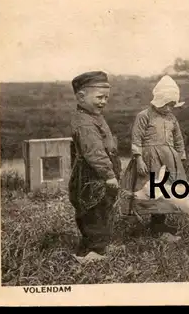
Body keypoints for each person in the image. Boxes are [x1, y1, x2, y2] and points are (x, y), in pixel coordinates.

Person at [120, 75, 187, 236]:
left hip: (169, 161)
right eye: (166, 104)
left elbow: (178, 138)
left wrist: (180, 157)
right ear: (158, 100)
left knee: (167, 190)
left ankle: (160, 224)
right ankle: (152, 226)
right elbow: (137, 138)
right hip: (150, 159)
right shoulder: (144, 116)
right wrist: (139, 159)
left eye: (172, 105)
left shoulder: (171, 118)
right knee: (150, 189)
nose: (169, 109)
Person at [68, 71, 122, 259]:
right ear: (81, 97)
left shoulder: (92, 115)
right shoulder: (85, 123)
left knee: (101, 208)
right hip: (93, 175)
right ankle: (94, 252)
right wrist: (108, 175)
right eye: (99, 97)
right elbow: (94, 152)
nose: (103, 101)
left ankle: (92, 247)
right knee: (95, 210)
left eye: (106, 97)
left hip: (96, 172)